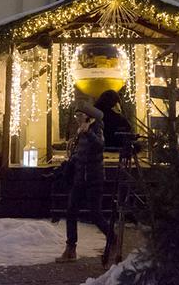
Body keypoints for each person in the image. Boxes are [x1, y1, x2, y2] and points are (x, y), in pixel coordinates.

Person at [56, 102, 115, 266]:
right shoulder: (80, 132)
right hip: (80, 179)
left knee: (95, 214)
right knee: (71, 211)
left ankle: (113, 239)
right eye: (76, 116)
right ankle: (70, 249)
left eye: (79, 116)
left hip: (94, 179)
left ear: (88, 117)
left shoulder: (95, 129)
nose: (76, 119)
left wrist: (88, 132)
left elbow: (99, 146)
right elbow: (80, 153)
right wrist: (71, 161)